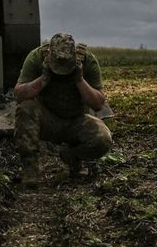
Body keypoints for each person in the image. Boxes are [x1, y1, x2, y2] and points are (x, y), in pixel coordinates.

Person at [12, 32, 111, 187]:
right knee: (26, 108)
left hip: (76, 120)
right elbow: (19, 95)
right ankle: (30, 169)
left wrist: (79, 79)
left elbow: (98, 104)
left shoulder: (88, 61)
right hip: (47, 119)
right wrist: (43, 78)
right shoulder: (36, 57)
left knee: (103, 138)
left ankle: (73, 157)